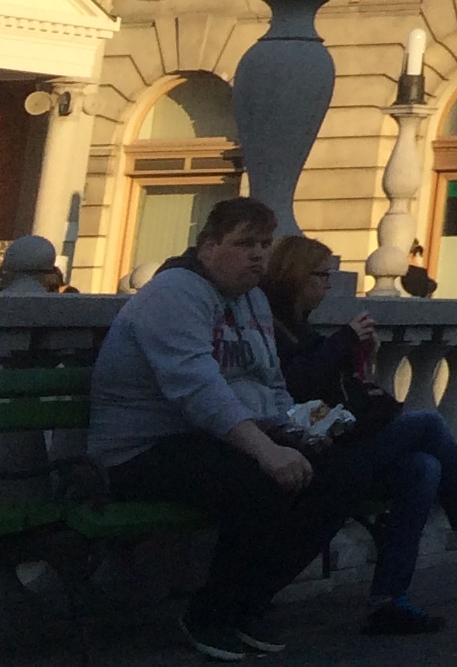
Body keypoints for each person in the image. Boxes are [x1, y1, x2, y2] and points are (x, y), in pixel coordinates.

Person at [90, 196, 361, 660]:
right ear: (208, 247)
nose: (257, 254)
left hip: (214, 439)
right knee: (259, 482)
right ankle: (209, 614)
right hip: (142, 450)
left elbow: (270, 381)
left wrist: (297, 431)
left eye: (263, 244)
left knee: (342, 474)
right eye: (243, 243)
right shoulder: (174, 293)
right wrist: (267, 450)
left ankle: (248, 602)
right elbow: (197, 389)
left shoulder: (253, 300)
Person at [258, 236, 457, 634]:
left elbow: (321, 384)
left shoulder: (297, 324)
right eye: (323, 275)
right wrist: (344, 342)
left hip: (328, 436)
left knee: (423, 468)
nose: (328, 285)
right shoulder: (267, 321)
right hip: (304, 446)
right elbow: (290, 385)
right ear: (297, 276)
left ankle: (389, 598)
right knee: (428, 424)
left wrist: (356, 354)